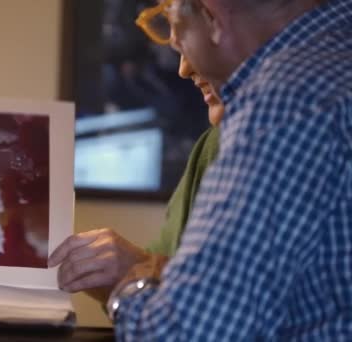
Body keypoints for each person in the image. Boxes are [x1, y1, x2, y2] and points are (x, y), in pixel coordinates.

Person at [107, 0, 352, 340]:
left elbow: (185, 332)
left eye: (174, 20)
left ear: (212, 15)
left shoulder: (290, 101)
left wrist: (128, 290)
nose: (178, 50)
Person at [48, 53, 223, 302]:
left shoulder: (247, 140)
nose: (184, 69)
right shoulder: (210, 145)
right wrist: (114, 279)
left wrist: (139, 270)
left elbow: (237, 302)